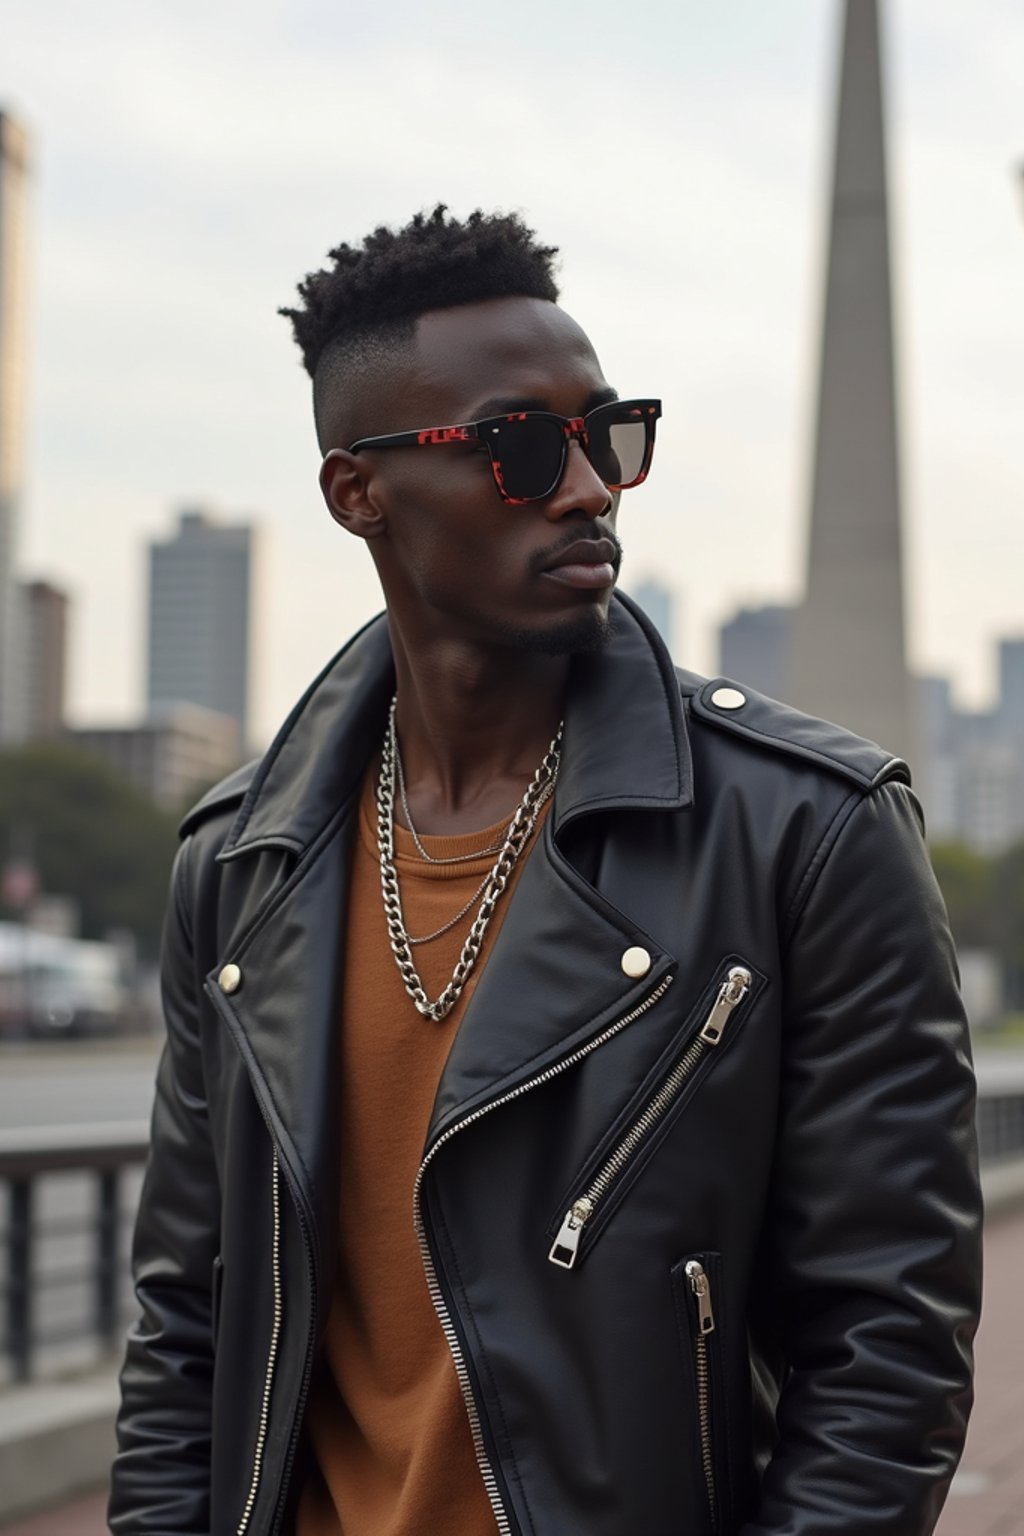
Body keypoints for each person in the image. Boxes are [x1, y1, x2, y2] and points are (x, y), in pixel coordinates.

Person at [109, 206, 981, 1536]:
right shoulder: (239, 863)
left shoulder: (808, 827)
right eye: (519, 448)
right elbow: (187, 1322)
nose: (587, 486)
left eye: (606, 433)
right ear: (361, 492)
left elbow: (889, 1346)